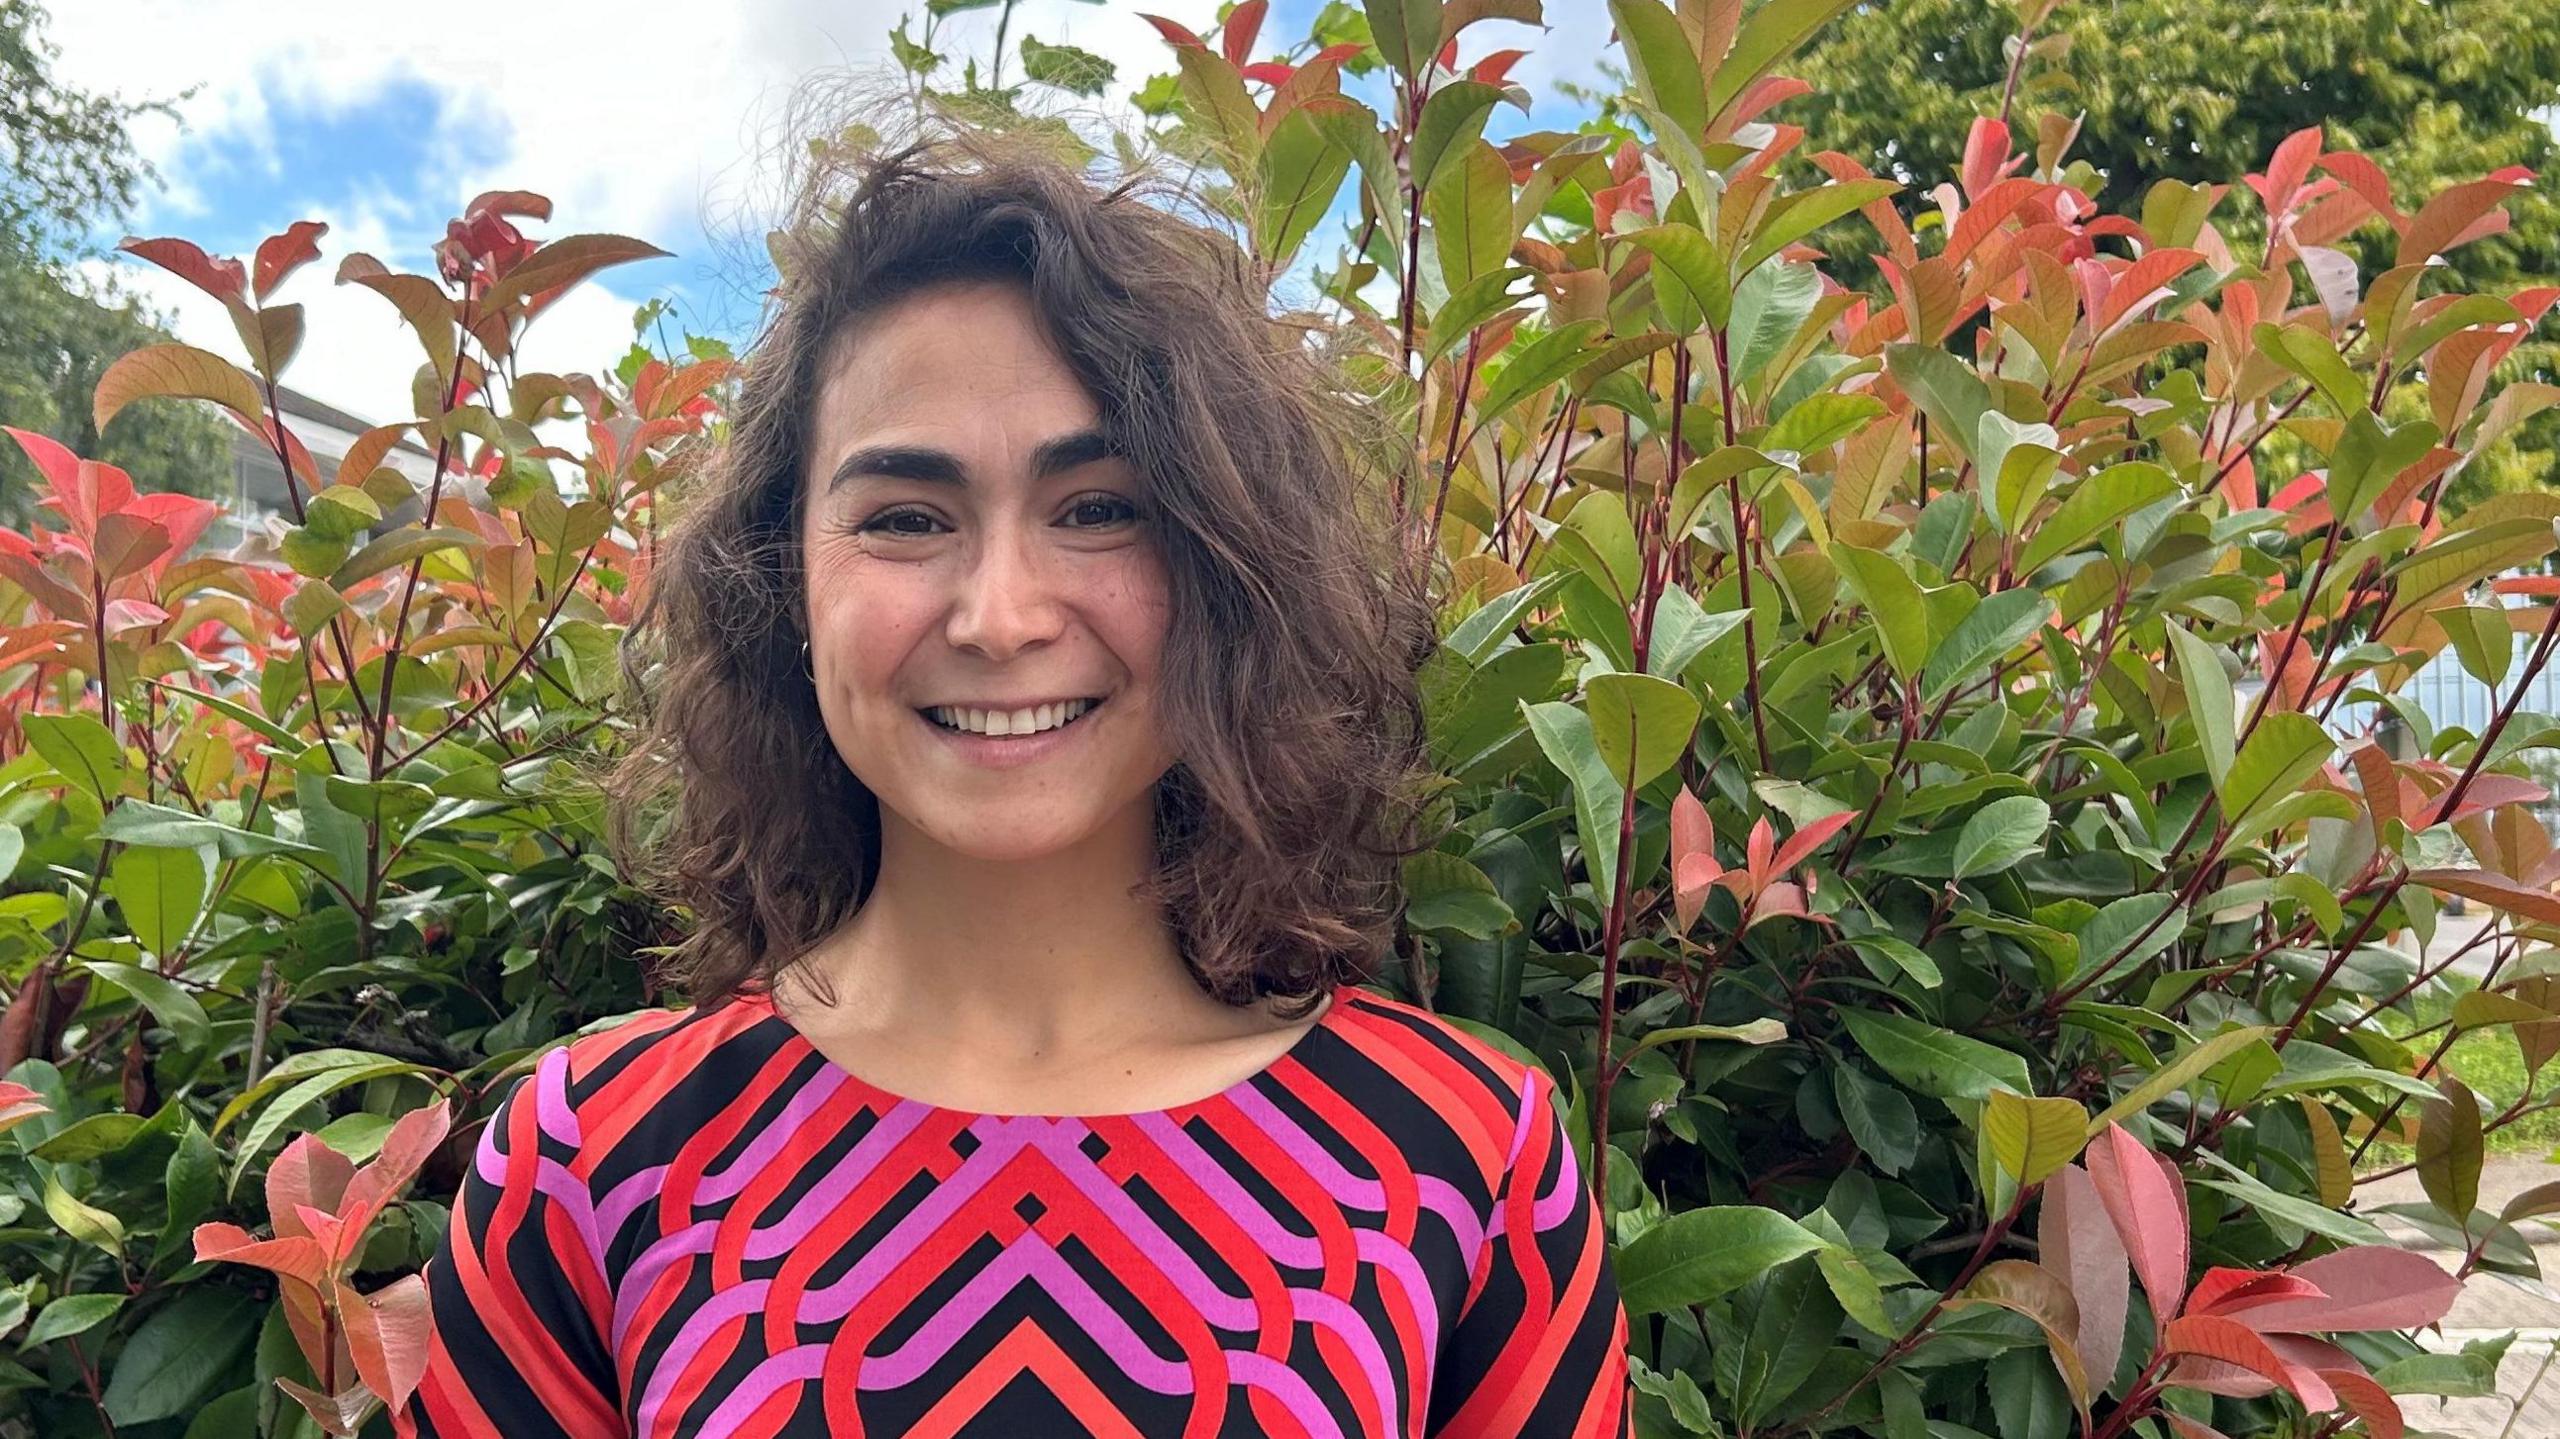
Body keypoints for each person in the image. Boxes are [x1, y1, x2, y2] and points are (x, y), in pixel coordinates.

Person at [393, 116, 1631, 1438]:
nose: (999, 615)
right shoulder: (594, 1162)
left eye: (1099, 507)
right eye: (905, 519)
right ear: (784, 580)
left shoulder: (1465, 1161)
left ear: (1223, 566)